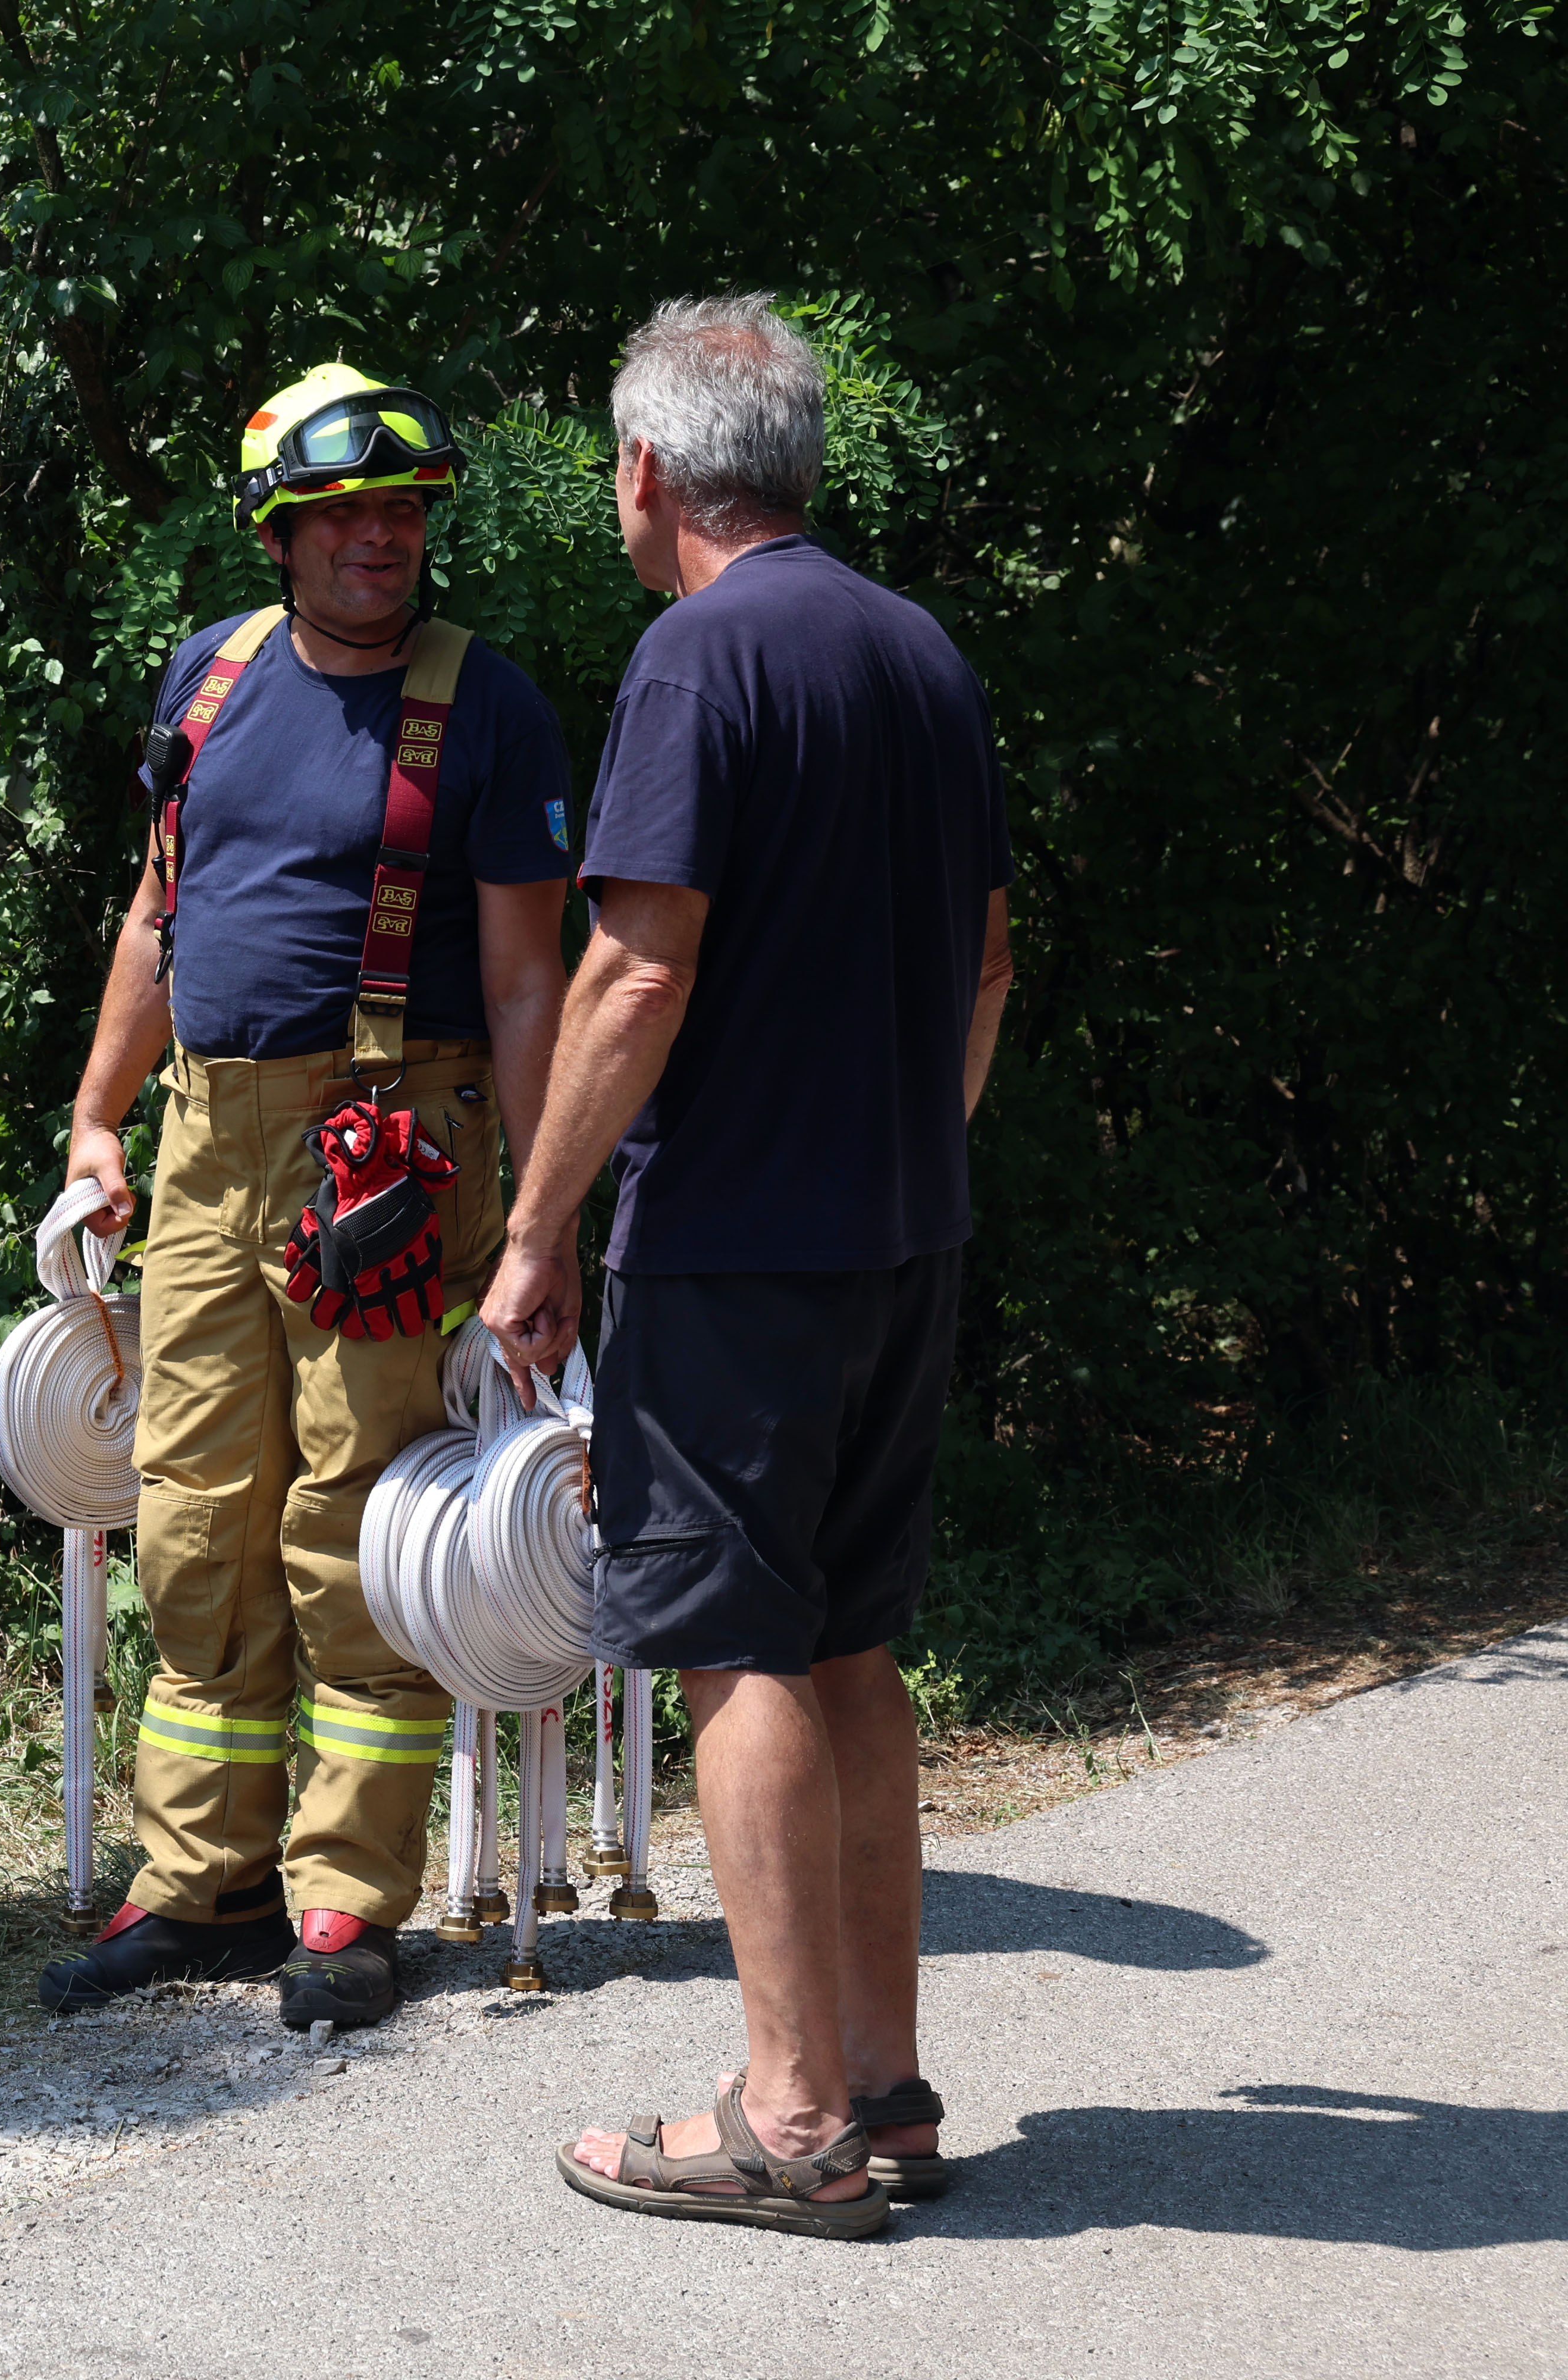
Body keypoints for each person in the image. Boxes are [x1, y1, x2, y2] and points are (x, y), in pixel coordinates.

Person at [482, 297, 1014, 2237]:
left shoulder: (699, 660)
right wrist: (917, 1156)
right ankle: (886, 2086)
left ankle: (787, 2114)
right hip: (902, 1235)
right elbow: (987, 966)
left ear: (647, 469)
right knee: (852, 1644)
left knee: (740, 1648)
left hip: (734, 1246)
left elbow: (633, 966)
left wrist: (537, 1232)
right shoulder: (920, 652)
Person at [42, 365, 572, 2030]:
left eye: (405, 515)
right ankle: (200, 1885)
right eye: (346, 515)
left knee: (358, 1520)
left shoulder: (487, 708)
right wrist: (96, 1123)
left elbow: (532, 987)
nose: (380, 542)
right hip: (203, 1146)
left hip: (389, 1156)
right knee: (191, 1515)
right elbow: (155, 915)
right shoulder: (209, 674)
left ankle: (346, 1900)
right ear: (279, 529)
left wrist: (547, 1226)